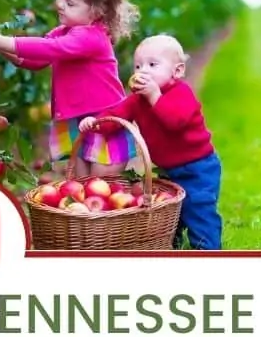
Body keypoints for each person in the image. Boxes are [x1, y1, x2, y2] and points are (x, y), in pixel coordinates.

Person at [0, 0, 138, 178]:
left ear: (97, 11)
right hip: (79, 121)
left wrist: (2, 41)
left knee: (102, 187)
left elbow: (51, 48)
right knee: (83, 188)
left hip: (104, 122)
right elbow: (37, 60)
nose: (60, 4)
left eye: (70, 3)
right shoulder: (66, 30)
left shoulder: (92, 37)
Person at [79, 34, 222, 250]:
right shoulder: (137, 100)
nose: (142, 71)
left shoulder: (182, 93)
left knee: (198, 207)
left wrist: (155, 95)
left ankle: (208, 250)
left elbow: (175, 122)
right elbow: (116, 116)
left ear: (178, 71)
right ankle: (171, 243)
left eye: (152, 64)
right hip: (169, 169)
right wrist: (96, 122)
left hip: (198, 168)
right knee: (171, 208)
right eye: (138, 66)